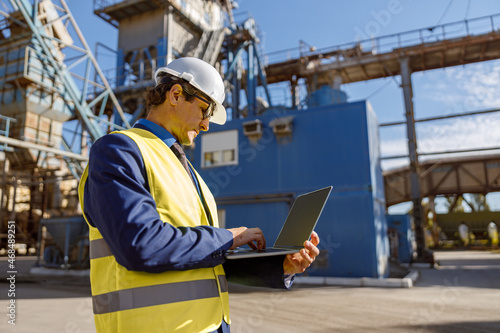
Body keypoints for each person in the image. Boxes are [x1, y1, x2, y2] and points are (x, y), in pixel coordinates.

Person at [78, 57, 320, 333]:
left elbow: (203, 260)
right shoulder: (118, 150)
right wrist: (228, 237)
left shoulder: (189, 173)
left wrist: (283, 266)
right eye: (205, 111)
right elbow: (140, 244)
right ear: (176, 94)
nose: (206, 125)